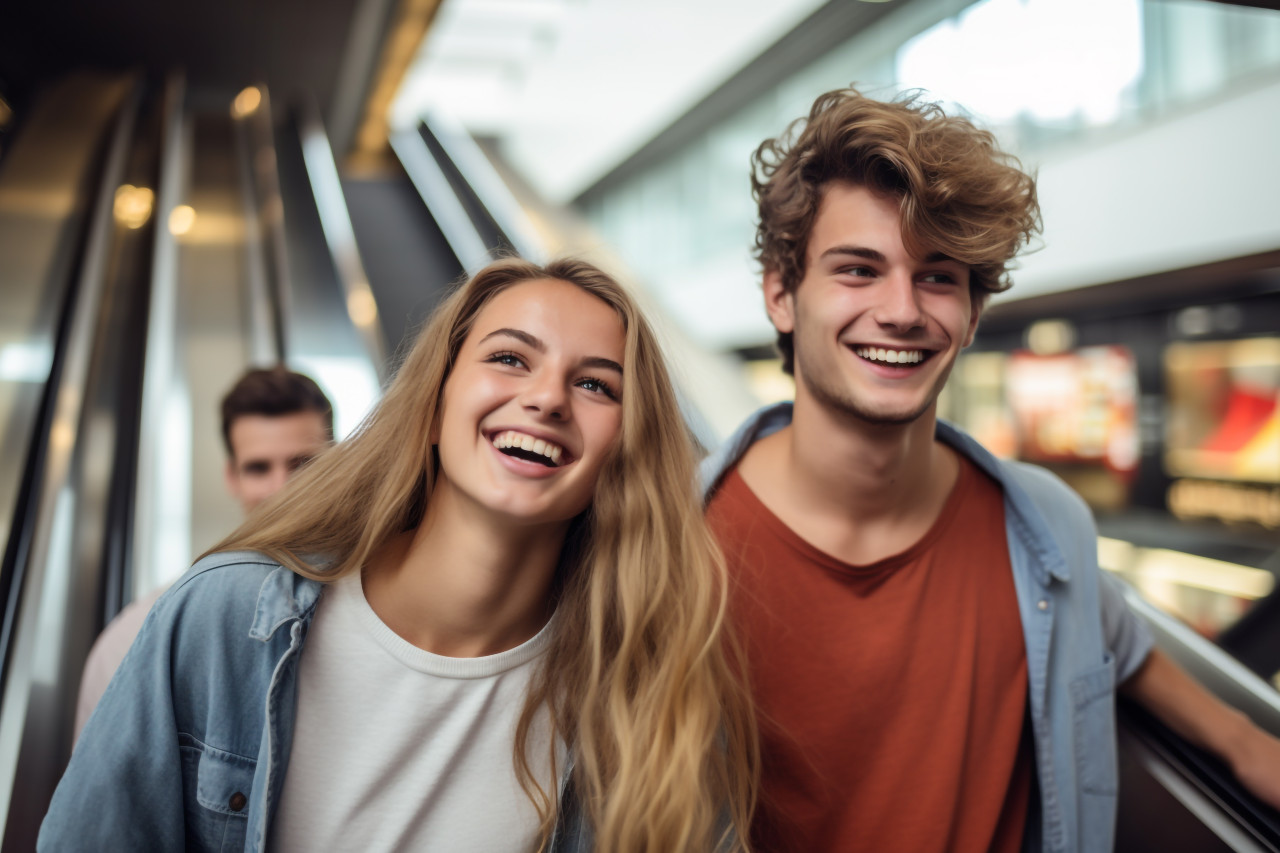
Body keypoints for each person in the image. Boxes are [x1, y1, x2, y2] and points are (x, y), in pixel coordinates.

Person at [701, 88, 1280, 852]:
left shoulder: (1041, 526)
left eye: (938, 276)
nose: (902, 310)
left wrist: (1245, 742)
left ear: (972, 314)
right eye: (858, 269)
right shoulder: (677, 541)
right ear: (782, 295)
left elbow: (1114, 632)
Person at [42, 258, 757, 852]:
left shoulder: (650, 700)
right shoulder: (223, 619)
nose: (546, 398)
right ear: (436, 402)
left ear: (624, 452)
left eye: (596, 383)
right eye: (509, 357)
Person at [72, 367, 334, 741]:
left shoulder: (383, 601)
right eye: (258, 468)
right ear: (232, 477)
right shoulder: (145, 630)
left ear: (338, 465)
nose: (282, 489)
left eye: (302, 464)